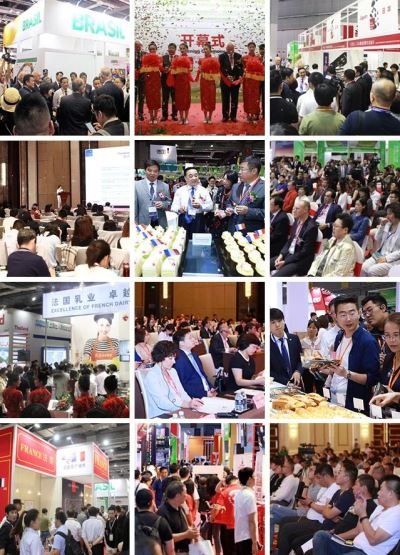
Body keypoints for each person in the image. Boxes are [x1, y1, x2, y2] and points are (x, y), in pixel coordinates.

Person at [319, 294, 380, 413]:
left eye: (352, 313)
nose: (348, 319)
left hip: (353, 402)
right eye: (343, 315)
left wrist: (346, 374)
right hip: (335, 397)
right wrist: (327, 366)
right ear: (336, 317)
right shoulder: (339, 337)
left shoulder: (367, 341)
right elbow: (336, 362)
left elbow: (372, 379)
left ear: (359, 313)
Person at [312, 475, 400, 555]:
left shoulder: (396, 514)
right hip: (353, 545)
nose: (378, 493)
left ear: (390, 493)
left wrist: (363, 514)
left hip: (366, 552)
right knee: (320, 536)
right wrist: (361, 509)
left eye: (381, 489)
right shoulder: (380, 508)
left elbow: (373, 540)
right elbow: (361, 530)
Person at [142, 340, 204, 418]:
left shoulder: (172, 371)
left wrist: (191, 403)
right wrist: (187, 405)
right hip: (163, 415)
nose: (174, 362)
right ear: (161, 358)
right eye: (170, 358)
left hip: (179, 410)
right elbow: (162, 403)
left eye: (174, 358)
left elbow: (182, 392)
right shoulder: (152, 376)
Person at [270, 199, 318, 276]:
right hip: (289, 254)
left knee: (276, 276)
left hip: (300, 260)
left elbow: (304, 252)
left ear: (305, 210)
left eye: (297, 209)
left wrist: (285, 262)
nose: (294, 211)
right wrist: (281, 255)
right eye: (294, 208)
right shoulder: (296, 221)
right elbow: (290, 241)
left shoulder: (311, 227)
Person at [157, 481, 200, 553]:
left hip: (187, 549)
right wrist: (186, 534)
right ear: (177, 496)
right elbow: (164, 538)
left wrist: (192, 532)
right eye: (185, 493)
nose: (186, 496)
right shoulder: (162, 512)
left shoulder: (180, 507)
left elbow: (183, 526)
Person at [170, 167, 213, 238]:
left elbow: (210, 206)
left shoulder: (204, 190)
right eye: (191, 176)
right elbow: (173, 207)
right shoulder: (180, 191)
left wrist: (201, 206)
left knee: (197, 240)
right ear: (185, 178)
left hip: (198, 218)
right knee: (182, 239)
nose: (194, 178)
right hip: (184, 218)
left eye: (196, 175)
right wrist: (179, 209)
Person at [173, 328, 216, 399]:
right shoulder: (179, 360)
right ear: (181, 343)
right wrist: (205, 394)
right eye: (190, 338)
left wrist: (211, 387)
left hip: (207, 391)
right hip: (196, 397)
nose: (193, 339)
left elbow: (202, 374)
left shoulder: (194, 354)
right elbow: (184, 385)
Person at [226, 156, 265, 233]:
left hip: (250, 233)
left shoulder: (264, 187)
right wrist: (229, 208)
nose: (239, 172)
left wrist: (248, 211)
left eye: (242, 169)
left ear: (254, 171)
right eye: (239, 169)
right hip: (232, 229)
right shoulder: (235, 186)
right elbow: (229, 202)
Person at [362, 202, 400, 276]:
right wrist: (382, 225)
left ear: (397, 214)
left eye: (390, 214)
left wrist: (386, 258)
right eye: (387, 214)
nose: (387, 216)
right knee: (363, 267)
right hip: (379, 254)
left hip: (392, 259)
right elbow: (377, 238)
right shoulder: (387, 224)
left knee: (371, 271)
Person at [270, 308, 303, 386]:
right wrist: (286, 382)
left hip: (297, 384)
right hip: (279, 386)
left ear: (284, 321)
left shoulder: (294, 339)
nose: (277, 325)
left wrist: (298, 371)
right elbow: (269, 371)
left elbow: (301, 360)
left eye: (279, 321)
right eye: (273, 322)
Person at [135, 489, 174, 555]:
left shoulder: (130, 521)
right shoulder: (161, 521)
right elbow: (170, 550)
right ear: (151, 502)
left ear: (136, 503)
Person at [135, 160, 171, 229]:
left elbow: (169, 202)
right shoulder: (137, 185)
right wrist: (135, 221)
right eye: (149, 170)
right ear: (145, 170)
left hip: (160, 221)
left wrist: (163, 204)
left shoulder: (165, 186)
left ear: (158, 172)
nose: (152, 173)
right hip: (143, 221)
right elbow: (135, 205)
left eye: (155, 171)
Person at [234, 467, 259, 555]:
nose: (255, 478)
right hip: (247, 537)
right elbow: (251, 521)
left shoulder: (238, 494)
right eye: (254, 476)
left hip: (239, 536)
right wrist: (254, 542)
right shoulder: (249, 496)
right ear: (249, 479)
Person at [169, 43, 193, 124]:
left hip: (186, 81)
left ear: (187, 49)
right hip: (178, 82)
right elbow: (173, 70)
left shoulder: (190, 58)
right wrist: (174, 68)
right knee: (179, 100)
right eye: (181, 48)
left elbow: (191, 69)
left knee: (186, 100)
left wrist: (184, 68)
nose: (182, 50)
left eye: (183, 48)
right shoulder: (176, 58)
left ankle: (186, 118)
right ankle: (181, 118)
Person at [219, 42, 243, 122]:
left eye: (231, 49)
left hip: (235, 82)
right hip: (225, 82)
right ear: (226, 49)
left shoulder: (238, 56)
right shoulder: (221, 56)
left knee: (234, 100)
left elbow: (241, 68)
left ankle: (233, 116)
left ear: (233, 49)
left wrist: (240, 76)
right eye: (228, 49)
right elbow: (221, 68)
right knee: (225, 99)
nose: (230, 51)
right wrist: (227, 76)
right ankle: (225, 116)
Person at [196, 43, 219, 123]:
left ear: (210, 49)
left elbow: (217, 70)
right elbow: (199, 70)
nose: (205, 50)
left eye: (206, 49)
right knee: (204, 98)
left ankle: (210, 117)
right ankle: (205, 117)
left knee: (211, 98)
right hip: (203, 81)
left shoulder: (215, 59)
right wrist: (200, 70)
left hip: (211, 81)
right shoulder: (201, 60)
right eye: (204, 49)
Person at [140, 42, 162, 124]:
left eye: (153, 49)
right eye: (150, 49)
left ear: (156, 49)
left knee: (156, 98)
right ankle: (151, 117)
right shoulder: (145, 58)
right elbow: (143, 69)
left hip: (156, 80)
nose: (152, 50)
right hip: (148, 80)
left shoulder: (160, 57)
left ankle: (155, 117)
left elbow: (161, 69)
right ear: (149, 50)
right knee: (149, 98)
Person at [242, 43, 264, 123]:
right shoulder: (244, 58)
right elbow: (243, 68)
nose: (251, 48)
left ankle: (254, 115)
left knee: (255, 98)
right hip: (247, 81)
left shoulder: (259, 57)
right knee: (247, 97)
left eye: (253, 47)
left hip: (255, 81)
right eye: (250, 47)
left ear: (255, 48)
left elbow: (261, 69)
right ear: (248, 48)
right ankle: (248, 115)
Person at [161, 43, 178, 121]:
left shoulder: (178, 58)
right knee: (165, 98)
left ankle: (174, 115)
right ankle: (164, 115)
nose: (171, 49)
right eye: (169, 48)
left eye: (172, 48)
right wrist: (164, 70)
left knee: (175, 99)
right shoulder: (163, 57)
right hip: (165, 81)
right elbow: (160, 67)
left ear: (175, 49)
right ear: (168, 49)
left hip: (175, 82)